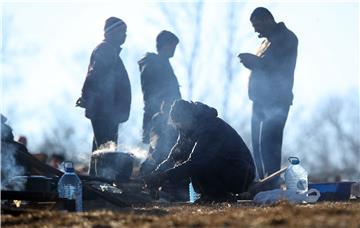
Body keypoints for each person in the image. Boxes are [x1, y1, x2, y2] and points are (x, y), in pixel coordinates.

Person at [144, 100, 255, 202]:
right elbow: (174, 157)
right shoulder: (189, 129)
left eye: (180, 125)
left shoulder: (211, 127)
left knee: (197, 163)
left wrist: (164, 176)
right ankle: (212, 195)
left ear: (188, 118)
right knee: (194, 164)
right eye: (177, 127)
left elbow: (197, 162)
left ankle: (218, 195)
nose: (179, 129)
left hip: (241, 174)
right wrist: (158, 173)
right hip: (228, 169)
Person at [238, 7, 298, 184]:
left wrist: (253, 61)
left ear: (267, 20)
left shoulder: (287, 38)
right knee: (257, 144)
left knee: (269, 143)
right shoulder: (265, 42)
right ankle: (263, 181)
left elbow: (276, 67)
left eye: (257, 25)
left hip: (277, 100)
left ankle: (271, 183)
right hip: (259, 100)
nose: (256, 30)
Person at [77, 17, 131, 154]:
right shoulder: (106, 50)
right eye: (121, 32)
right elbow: (94, 76)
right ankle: (102, 176)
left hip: (107, 111)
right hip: (104, 111)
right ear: (110, 33)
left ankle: (95, 175)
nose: (124, 36)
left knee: (101, 151)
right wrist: (86, 97)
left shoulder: (109, 51)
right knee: (106, 152)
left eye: (125, 32)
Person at [138, 30, 181, 144]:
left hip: (168, 116)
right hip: (159, 118)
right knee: (158, 150)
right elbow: (150, 94)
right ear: (165, 45)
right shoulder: (153, 64)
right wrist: (161, 111)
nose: (173, 49)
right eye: (172, 46)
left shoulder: (163, 64)